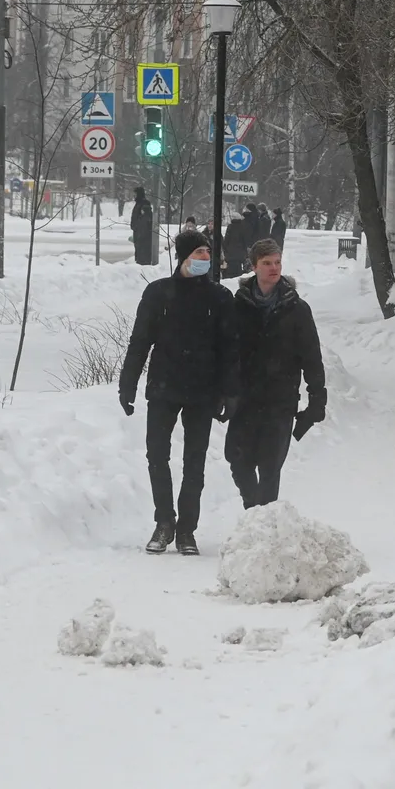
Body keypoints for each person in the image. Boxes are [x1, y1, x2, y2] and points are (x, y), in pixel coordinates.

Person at [118, 229, 239, 555]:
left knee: (194, 463)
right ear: (184, 257)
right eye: (199, 252)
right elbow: (140, 341)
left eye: (207, 253)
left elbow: (230, 350)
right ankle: (164, 522)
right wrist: (127, 383)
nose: (205, 258)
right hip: (163, 387)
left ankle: (187, 529)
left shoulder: (219, 298)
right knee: (156, 455)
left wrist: (229, 392)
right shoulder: (159, 293)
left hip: (203, 390)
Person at [226, 239, 327, 508]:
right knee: (238, 460)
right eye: (267, 263)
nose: (274, 268)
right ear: (253, 266)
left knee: (270, 465)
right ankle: (254, 509)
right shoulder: (238, 305)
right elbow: (225, 351)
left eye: (278, 262)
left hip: (280, 399)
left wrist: (317, 398)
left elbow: (312, 357)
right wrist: (222, 390)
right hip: (244, 398)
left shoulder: (296, 308)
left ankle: (264, 522)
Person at [130, 187, 156, 265]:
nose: (134, 195)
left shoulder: (144, 204)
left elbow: (145, 220)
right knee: (139, 253)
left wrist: (139, 229)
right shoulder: (138, 203)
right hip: (138, 233)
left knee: (143, 255)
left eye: (135, 194)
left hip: (143, 235)